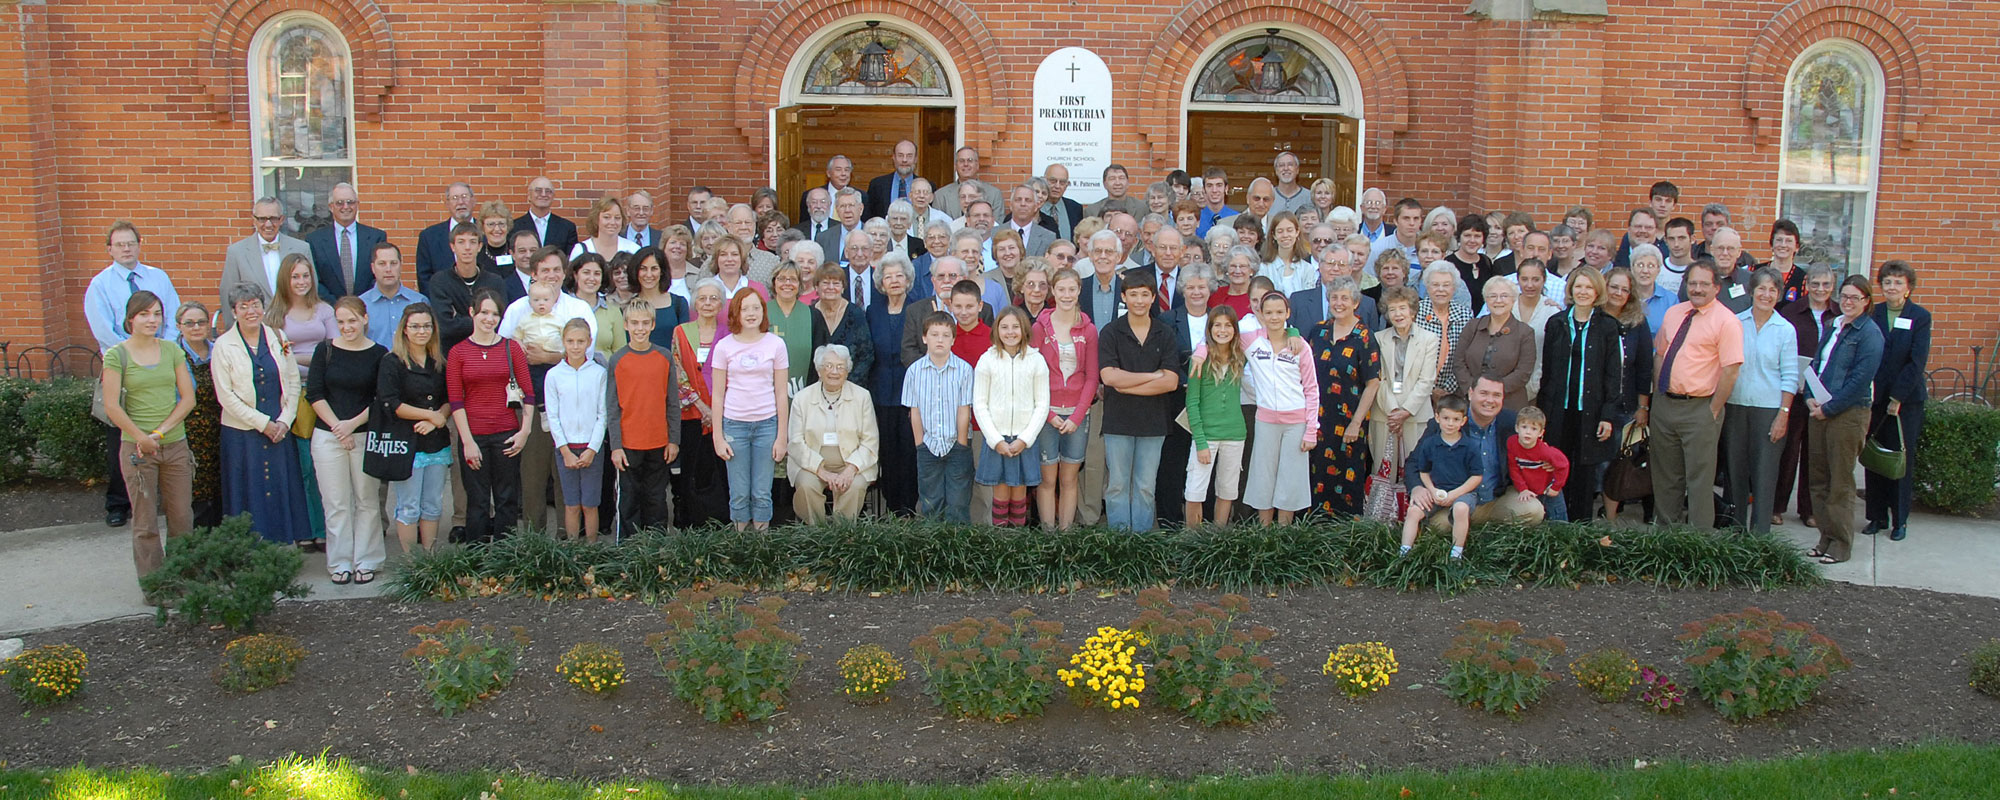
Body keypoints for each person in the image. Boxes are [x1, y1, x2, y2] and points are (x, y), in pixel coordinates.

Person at [86, 221, 184, 528]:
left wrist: (159, 351)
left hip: (162, 362)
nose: (126, 249)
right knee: (122, 435)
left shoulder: (158, 277)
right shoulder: (100, 284)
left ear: (139, 244)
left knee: (166, 427)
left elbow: (171, 314)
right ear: (109, 249)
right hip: (124, 366)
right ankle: (118, 503)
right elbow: (103, 329)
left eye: (131, 243)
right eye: (119, 244)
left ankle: (171, 503)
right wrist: (134, 353)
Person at [102, 291, 195, 585]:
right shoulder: (116, 355)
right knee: (145, 523)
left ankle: (183, 581)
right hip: (137, 450)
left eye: (156, 314)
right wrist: (140, 437)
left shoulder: (172, 350)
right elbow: (112, 406)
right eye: (144, 314)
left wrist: (158, 433)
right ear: (131, 319)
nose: (151, 319)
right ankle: (155, 586)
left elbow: (188, 399)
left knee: (181, 518)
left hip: (174, 445)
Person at [214, 283, 312, 545]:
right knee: (250, 490)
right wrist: (262, 424)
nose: (250, 311)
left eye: (255, 304)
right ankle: (249, 550)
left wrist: (284, 420)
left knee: (280, 486)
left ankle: (283, 546)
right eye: (243, 307)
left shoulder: (277, 337)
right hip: (242, 432)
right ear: (234, 311)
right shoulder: (224, 345)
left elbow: (292, 381)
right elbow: (226, 396)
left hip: (279, 428)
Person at [1650, 259, 1744, 529]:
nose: (1698, 289)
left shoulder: (1727, 321)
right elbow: (1660, 354)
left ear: (1716, 287)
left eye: (1704, 284)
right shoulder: (1674, 313)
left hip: (1701, 408)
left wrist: (1714, 409)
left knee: (1699, 480)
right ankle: (1666, 536)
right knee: (1666, 476)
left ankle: (1698, 543)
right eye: (1693, 283)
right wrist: (1659, 392)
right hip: (1666, 404)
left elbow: (1731, 370)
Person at [306, 296, 387, 584]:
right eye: (340, 322)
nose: (346, 326)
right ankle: (340, 562)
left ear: (365, 319)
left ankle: (367, 559)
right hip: (328, 438)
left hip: (364, 435)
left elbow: (381, 398)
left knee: (366, 500)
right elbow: (314, 393)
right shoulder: (324, 350)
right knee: (336, 503)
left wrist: (352, 425)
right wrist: (338, 428)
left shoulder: (380, 354)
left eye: (352, 320)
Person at [1806, 276, 1885, 564]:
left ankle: (1841, 544)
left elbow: (1859, 380)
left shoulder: (1870, 334)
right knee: (1818, 478)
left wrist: (1830, 408)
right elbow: (1817, 363)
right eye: (1845, 297)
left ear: (1866, 301)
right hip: (1820, 409)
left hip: (1847, 414)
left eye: (1855, 298)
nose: (1849, 302)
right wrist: (1810, 398)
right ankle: (1825, 537)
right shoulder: (1833, 325)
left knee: (1840, 481)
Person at [447, 289, 535, 543]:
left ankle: (505, 559)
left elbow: (528, 393)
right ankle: (477, 560)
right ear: (472, 312)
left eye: (495, 314)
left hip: (507, 434)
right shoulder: (458, 352)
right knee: (478, 500)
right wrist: (467, 442)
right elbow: (455, 400)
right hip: (473, 434)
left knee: (507, 499)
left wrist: (525, 431)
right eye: (484, 312)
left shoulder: (512, 348)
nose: (489, 318)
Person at [1535, 268, 1623, 521]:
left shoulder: (1607, 326)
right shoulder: (1557, 323)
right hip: (1558, 409)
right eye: (1578, 287)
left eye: (1588, 287)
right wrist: (1543, 413)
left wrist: (1608, 415)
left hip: (1591, 412)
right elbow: (1548, 372)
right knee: (1557, 467)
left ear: (1597, 292)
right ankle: (1556, 524)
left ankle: (1580, 527)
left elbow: (1612, 374)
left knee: (1584, 473)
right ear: (1571, 290)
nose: (1583, 292)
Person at [1097, 269, 1183, 531]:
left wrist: (1129, 384)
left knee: (1145, 487)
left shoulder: (1165, 333)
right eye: (1133, 295)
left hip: (1154, 422)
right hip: (1118, 422)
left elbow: (1171, 381)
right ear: (1124, 297)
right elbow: (1109, 378)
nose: (1139, 301)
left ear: (1153, 297)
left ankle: (1142, 545)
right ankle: (1121, 544)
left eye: (1145, 295)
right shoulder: (1111, 332)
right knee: (1118, 486)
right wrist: (1151, 376)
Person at [1722, 267, 1801, 535]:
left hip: (1769, 410)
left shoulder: (1785, 330)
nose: (1766, 294)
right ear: (1751, 291)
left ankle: (1760, 536)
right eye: (1761, 288)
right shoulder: (1734, 322)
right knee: (1735, 472)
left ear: (1779, 295)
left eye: (1772, 290)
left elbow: (1790, 376)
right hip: (1735, 405)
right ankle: (1735, 530)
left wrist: (1784, 414)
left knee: (1764, 474)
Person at [711, 289, 789, 530]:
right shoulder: (724, 346)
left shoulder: (776, 344)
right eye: (745, 308)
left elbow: (780, 393)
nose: (751, 313)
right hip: (734, 426)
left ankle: (761, 547)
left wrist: (781, 436)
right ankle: (740, 545)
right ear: (736, 312)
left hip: (767, 425)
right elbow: (718, 394)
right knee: (739, 492)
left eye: (756, 307)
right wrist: (717, 435)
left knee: (762, 491)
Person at [1864, 260, 1931, 542]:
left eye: (1898, 282)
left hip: (1906, 402)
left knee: (1900, 460)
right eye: (1887, 282)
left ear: (1908, 288)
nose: (1892, 287)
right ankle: (1876, 516)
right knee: (1874, 457)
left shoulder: (1920, 316)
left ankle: (1899, 521)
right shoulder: (1873, 313)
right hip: (1874, 399)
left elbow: (1917, 362)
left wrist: (1897, 397)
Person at [378, 304, 452, 553]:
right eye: (415, 326)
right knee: (409, 506)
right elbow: (391, 402)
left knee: (432, 504)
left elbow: (450, 398)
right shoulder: (392, 362)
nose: (422, 331)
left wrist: (439, 418)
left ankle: (429, 560)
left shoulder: (439, 361)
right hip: (406, 443)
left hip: (436, 443)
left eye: (427, 326)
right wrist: (431, 416)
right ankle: (412, 566)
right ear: (405, 329)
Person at [1240, 294, 1319, 525]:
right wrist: (1201, 353)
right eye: (1269, 312)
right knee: (1263, 479)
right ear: (1261, 314)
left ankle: (1284, 537)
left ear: (1287, 313)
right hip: (1265, 421)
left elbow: (1312, 389)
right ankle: (1266, 536)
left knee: (1290, 481)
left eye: (1278, 312)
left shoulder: (1299, 345)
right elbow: (1218, 337)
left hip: (1296, 423)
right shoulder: (1251, 340)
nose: (1274, 317)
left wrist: (1311, 430)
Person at [607, 301, 683, 537]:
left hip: (658, 442)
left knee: (656, 499)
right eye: (634, 323)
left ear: (652, 324)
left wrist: (674, 440)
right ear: (626, 325)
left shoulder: (664, 357)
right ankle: (628, 551)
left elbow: (672, 402)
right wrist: (616, 446)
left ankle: (656, 550)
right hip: (629, 444)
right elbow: (612, 407)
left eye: (644, 323)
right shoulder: (618, 359)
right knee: (629, 500)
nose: (640, 328)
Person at [1306, 276, 1379, 517]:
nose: (1339, 303)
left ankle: (1346, 538)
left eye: (1345, 298)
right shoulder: (1318, 331)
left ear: (1355, 303)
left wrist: (1356, 422)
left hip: (1350, 422)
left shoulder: (1364, 336)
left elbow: (1372, 383)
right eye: (1334, 297)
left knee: (1348, 481)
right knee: (1316, 477)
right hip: (1317, 420)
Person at [274, 253, 333, 548]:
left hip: (321, 394)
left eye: (305, 276)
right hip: (289, 396)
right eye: (295, 276)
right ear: (286, 279)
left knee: (319, 464)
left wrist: (294, 355)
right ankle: (303, 529)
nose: (301, 281)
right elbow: (272, 357)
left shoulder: (324, 311)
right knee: (298, 467)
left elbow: (334, 352)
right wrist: (311, 357)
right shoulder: (274, 315)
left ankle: (324, 530)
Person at [973, 306, 1050, 527]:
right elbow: (979, 404)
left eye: (1015, 327)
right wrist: (995, 440)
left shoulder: (1036, 360)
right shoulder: (986, 360)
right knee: (1001, 491)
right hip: (996, 438)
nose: (1010, 332)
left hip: (1023, 439)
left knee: (1019, 492)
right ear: (997, 330)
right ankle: (1000, 543)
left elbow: (1042, 404)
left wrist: (1025, 439)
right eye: (1004, 327)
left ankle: (1017, 542)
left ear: (1024, 329)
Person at [1033, 268, 1097, 529]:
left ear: (1079, 291)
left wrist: (1076, 416)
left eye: (1072, 289)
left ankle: (1066, 534)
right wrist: (1048, 414)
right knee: (1047, 480)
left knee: (1069, 480)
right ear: (1053, 291)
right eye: (1061, 289)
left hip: (1077, 415)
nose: (1066, 295)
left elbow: (1092, 377)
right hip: (1046, 413)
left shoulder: (1089, 329)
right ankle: (1049, 534)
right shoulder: (1040, 327)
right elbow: (1033, 375)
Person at [1775, 265, 1838, 527]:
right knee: (1788, 452)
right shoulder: (1791, 313)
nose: (1820, 290)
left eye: (1825, 284)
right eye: (1815, 284)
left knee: (1816, 454)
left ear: (1832, 286)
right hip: (1796, 392)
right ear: (1807, 285)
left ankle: (1809, 510)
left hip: (1826, 396)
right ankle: (1777, 506)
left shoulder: (1840, 314)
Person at [788, 344, 879, 522]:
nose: (834, 372)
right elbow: (796, 442)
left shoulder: (862, 397)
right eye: (828, 366)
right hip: (812, 465)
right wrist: (821, 471)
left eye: (840, 367)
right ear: (819, 370)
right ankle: (817, 532)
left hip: (851, 463)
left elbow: (870, 441)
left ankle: (842, 532)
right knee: (807, 487)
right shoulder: (802, 398)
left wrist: (850, 470)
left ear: (847, 371)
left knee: (855, 485)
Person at [671, 280, 730, 528]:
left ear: (721, 303)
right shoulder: (681, 332)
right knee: (691, 471)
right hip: (691, 415)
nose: (707, 303)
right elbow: (678, 370)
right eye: (702, 298)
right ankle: (691, 524)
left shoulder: (729, 333)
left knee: (720, 472)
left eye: (713, 298)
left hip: (723, 414)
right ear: (695, 302)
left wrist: (715, 410)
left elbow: (733, 374)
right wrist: (702, 407)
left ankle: (718, 524)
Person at [905, 312, 975, 521]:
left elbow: (964, 409)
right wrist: (920, 444)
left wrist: (961, 444)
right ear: (924, 338)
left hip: (956, 444)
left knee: (958, 502)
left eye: (946, 335)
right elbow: (914, 411)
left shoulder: (964, 370)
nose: (940, 340)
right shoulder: (914, 371)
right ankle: (933, 549)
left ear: (953, 339)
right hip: (928, 445)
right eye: (934, 334)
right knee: (931, 501)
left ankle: (959, 549)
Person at [1597, 267, 1654, 524]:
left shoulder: (1637, 323)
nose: (1619, 293)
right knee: (1593, 464)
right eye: (1614, 287)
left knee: (1616, 465)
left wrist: (1643, 406)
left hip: (1625, 404)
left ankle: (1609, 518)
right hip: (1592, 404)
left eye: (1624, 289)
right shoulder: (1593, 318)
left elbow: (1644, 367)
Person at [545, 319, 609, 541]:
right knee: (571, 504)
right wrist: (564, 450)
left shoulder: (599, 374)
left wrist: (592, 449)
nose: (575, 346)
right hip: (566, 448)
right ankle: (572, 551)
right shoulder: (554, 375)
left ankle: (591, 550)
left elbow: (603, 415)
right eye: (570, 341)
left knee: (590, 504)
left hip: (592, 447)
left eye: (580, 341)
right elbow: (553, 416)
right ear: (563, 342)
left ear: (589, 342)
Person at [1400, 395, 1482, 559]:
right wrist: (1431, 489)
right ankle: (1404, 554)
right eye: (1446, 418)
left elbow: (1477, 476)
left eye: (1455, 419)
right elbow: (1423, 470)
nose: (1450, 423)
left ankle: (1456, 555)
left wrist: (1454, 494)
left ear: (1463, 421)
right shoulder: (1430, 443)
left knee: (1460, 509)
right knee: (1414, 511)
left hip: (1462, 492)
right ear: (1437, 417)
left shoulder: (1470, 446)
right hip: (1436, 489)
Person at [1370, 286, 1439, 469]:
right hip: (1385, 412)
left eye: (1402, 308)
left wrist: (1406, 411)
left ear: (1413, 311)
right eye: (1392, 309)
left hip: (1416, 413)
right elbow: (1379, 378)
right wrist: (1394, 410)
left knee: (1415, 469)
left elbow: (1427, 380)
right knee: (1383, 471)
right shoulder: (1377, 338)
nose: (1398, 314)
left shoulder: (1429, 339)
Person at [220, 197, 312, 330]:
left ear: (281, 219)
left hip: (297, 327)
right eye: (262, 219)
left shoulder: (301, 248)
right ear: (254, 220)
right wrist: (234, 331)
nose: (268, 224)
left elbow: (312, 290)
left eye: (273, 218)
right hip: (254, 329)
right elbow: (227, 294)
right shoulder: (237, 252)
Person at [172, 302, 223, 527]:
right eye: (189, 323)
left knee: (221, 488)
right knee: (196, 490)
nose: (196, 327)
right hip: (188, 431)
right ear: (179, 326)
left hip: (221, 429)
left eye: (201, 322)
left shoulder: (220, 351)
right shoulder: (173, 356)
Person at [1455, 278, 1536, 410]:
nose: (1498, 300)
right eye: (1493, 296)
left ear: (1513, 299)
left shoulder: (1525, 332)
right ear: (1486, 300)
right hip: (1469, 401)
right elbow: (1458, 362)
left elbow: (1523, 372)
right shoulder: (1472, 326)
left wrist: (1493, 392)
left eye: (1504, 296)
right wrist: (1475, 391)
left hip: (1509, 404)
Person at [308, 182, 389, 299]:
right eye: (340, 203)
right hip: (330, 309)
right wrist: (337, 306)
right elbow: (315, 279)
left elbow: (379, 275)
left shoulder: (376, 237)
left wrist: (362, 304)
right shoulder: (315, 240)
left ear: (357, 205)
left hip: (368, 306)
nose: (345, 207)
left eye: (350, 202)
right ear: (331, 207)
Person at [807, 264, 875, 388]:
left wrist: (845, 384)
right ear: (816, 287)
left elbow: (866, 354)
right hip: (815, 388)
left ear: (843, 288)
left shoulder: (855, 314)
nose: (831, 287)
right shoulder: (809, 315)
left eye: (836, 283)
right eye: (825, 283)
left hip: (850, 386)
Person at [1415, 262, 1473, 403]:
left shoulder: (1465, 315)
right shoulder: (1415, 313)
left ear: (1454, 288)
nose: (1441, 290)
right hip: (1418, 390)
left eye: (1446, 285)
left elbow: (1467, 356)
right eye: (1435, 285)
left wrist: (1447, 390)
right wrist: (1430, 389)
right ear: (1427, 287)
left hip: (1454, 391)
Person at [1506, 407, 1571, 522]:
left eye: (1534, 429)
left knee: (1558, 520)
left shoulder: (1545, 451)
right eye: (1524, 427)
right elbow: (1513, 468)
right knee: (1536, 520)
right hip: (1530, 490)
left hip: (1548, 488)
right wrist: (1523, 488)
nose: (1528, 432)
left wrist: (1556, 487)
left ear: (1541, 433)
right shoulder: (1512, 443)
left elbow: (1563, 465)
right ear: (1516, 428)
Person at [358, 243, 426, 349]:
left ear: (401, 266)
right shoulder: (361, 305)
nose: (388, 269)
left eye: (393, 263)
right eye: (382, 264)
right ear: (373, 268)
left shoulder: (419, 301)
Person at [416, 183, 477, 291]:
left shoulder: (487, 232)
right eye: (455, 198)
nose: (460, 202)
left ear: (473, 201)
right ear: (447, 204)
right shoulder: (429, 237)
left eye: (464, 197)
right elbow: (424, 278)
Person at [511, 176, 578, 254]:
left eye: (548, 191)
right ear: (529, 196)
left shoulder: (567, 227)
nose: (543, 194)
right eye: (538, 190)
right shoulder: (514, 226)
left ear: (553, 197)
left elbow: (571, 260)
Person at [570, 195, 639, 260]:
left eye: (617, 218)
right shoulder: (580, 250)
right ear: (596, 219)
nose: (612, 222)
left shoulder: (633, 249)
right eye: (607, 217)